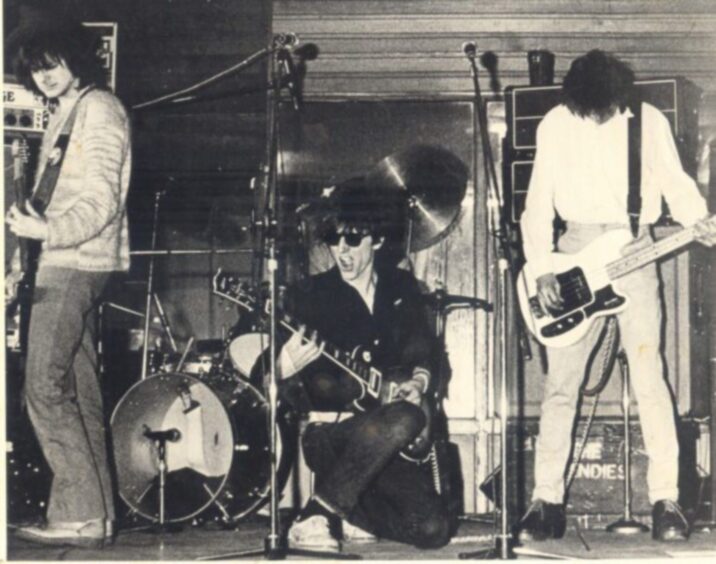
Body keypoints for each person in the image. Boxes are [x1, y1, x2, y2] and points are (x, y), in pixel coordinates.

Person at [518, 49, 715, 543]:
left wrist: (699, 221)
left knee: (651, 376)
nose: (594, 116)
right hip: (572, 251)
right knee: (561, 388)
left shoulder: (646, 120)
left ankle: (666, 500)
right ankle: (546, 501)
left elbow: (675, 181)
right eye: (586, 109)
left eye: (601, 108)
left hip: (635, 246)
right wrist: (542, 267)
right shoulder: (555, 124)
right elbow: (537, 203)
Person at [6, 21, 131, 548]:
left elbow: (101, 199)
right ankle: (96, 516)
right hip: (67, 260)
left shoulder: (99, 108)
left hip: (73, 261)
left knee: (43, 387)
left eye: (53, 62)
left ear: (79, 58)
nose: (45, 74)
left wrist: (48, 230)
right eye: (36, 66)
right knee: (78, 392)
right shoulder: (72, 111)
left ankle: (79, 514)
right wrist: (21, 259)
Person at [276, 178, 452, 551]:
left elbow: (426, 346)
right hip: (329, 437)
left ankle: (346, 512)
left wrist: (419, 381)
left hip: (384, 445)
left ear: (376, 240)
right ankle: (315, 516)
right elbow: (259, 369)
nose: (342, 251)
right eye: (334, 240)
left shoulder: (400, 286)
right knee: (405, 417)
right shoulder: (307, 295)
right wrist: (282, 365)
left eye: (353, 240)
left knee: (434, 531)